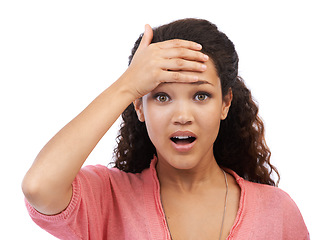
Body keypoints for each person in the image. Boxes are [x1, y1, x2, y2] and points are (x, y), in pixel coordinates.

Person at [22, 18, 309, 240]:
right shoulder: (108, 198)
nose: (182, 116)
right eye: (161, 97)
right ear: (138, 106)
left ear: (225, 103)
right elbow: (39, 187)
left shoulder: (278, 211)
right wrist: (127, 84)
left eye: (201, 96)